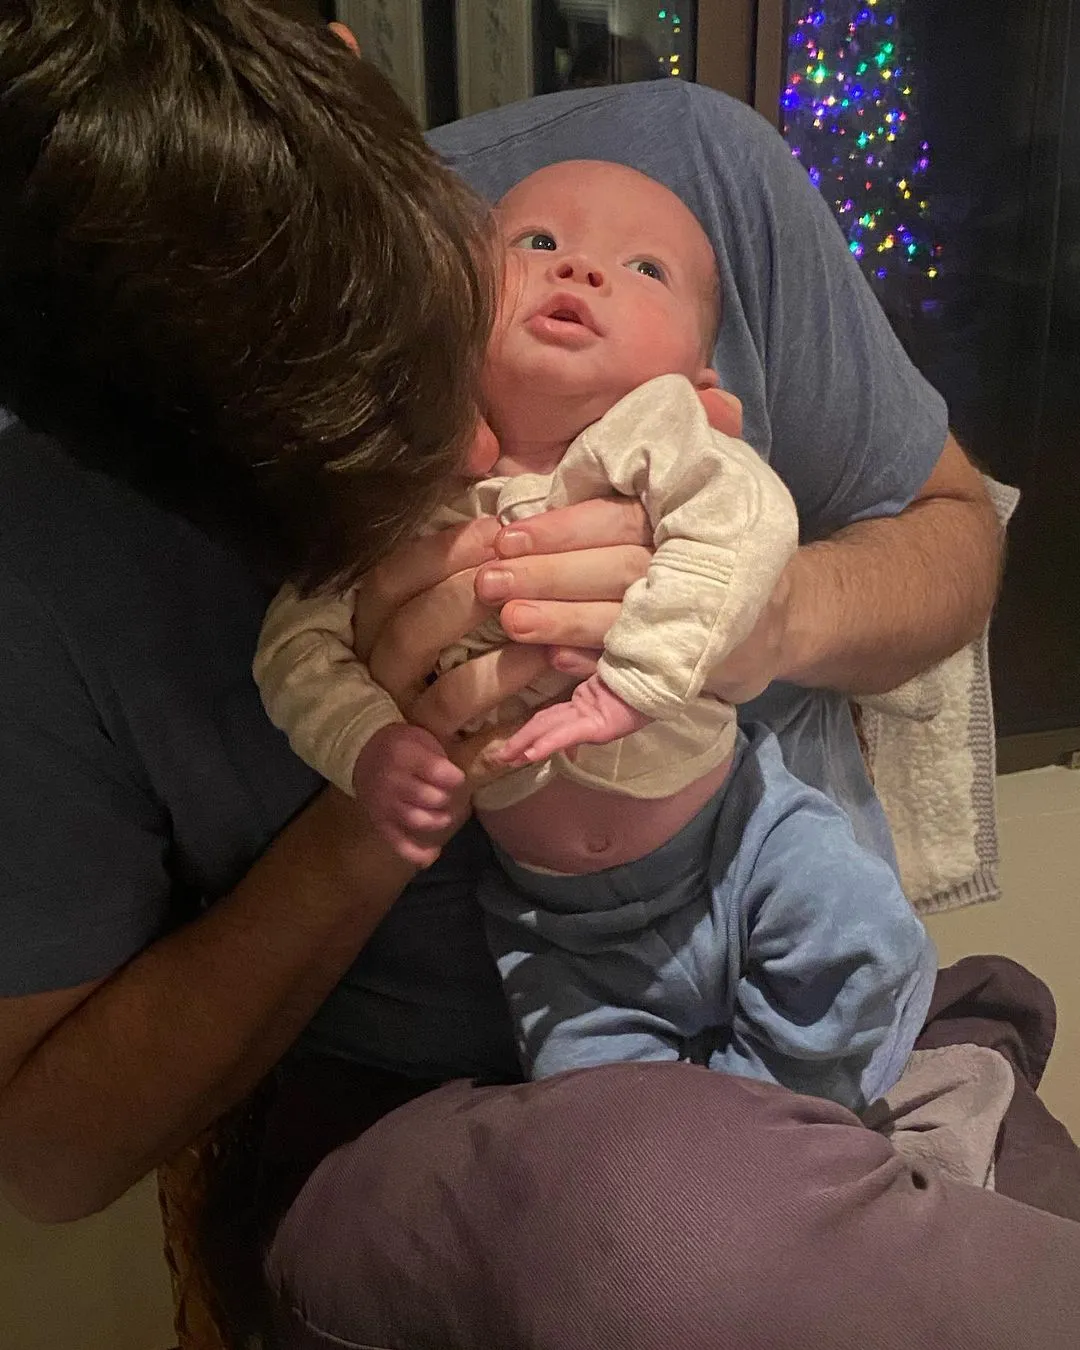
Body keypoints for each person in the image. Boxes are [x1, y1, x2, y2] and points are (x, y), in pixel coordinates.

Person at [0, 6, 1077, 1350]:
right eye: (331, 466)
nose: (470, 448)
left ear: (351, 70)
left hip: (819, 992)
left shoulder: (686, 179)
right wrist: (374, 813)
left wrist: (768, 616)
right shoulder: (39, 553)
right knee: (660, 1228)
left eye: (425, 321)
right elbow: (50, 1156)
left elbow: (956, 536)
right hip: (441, 1111)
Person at [254, 159, 935, 1105]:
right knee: (597, 1115)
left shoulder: (662, 433)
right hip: (555, 925)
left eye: (645, 268)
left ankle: (778, 1123)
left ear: (699, 377)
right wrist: (367, 745)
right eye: (537, 244)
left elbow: (744, 523)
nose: (579, 269)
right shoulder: (399, 482)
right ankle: (723, 1153)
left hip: (741, 840)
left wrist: (634, 679)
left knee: (862, 951)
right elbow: (296, 644)